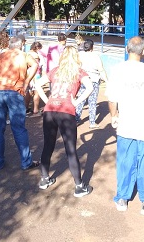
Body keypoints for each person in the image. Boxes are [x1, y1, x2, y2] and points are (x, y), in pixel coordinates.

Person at [107, 36, 144, 216]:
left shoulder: (117, 70)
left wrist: (114, 115)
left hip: (126, 125)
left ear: (127, 50)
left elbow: (112, 98)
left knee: (125, 162)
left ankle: (122, 199)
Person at [34, 46, 94, 197]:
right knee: (70, 149)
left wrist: (47, 100)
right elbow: (90, 87)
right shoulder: (79, 72)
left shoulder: (55, 70)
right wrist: (77, 102)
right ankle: (79, 186)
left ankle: (44, 179)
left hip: (50, 110)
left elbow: (37, 84)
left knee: (48, 145)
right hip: (66, 112)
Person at [0, 35, 40, 170]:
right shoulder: (24, 55)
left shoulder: (1, 55)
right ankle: (26, 162)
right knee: (19, 129)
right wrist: (26, 82)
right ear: (21, 45)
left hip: (0, 93)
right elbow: (36, 64)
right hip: (15, 93)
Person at [75, 39, 108, 128]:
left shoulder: (79, 55)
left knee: (80, 100)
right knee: (92, 102)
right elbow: (101, 70)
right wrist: (107, 81)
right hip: (93, 81)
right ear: (92, 47)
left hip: (82, 81)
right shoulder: (95, 56)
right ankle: (92, 122)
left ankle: (76, 119)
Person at [25, 41, 45, 116]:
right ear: (37, 48)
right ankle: (35, 109)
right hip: (36, 74)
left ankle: (26, 108)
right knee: (37, 91)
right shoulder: (36, 55)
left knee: (29, 91)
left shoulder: (27, 53)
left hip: (28, 74)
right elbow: (38, 66)